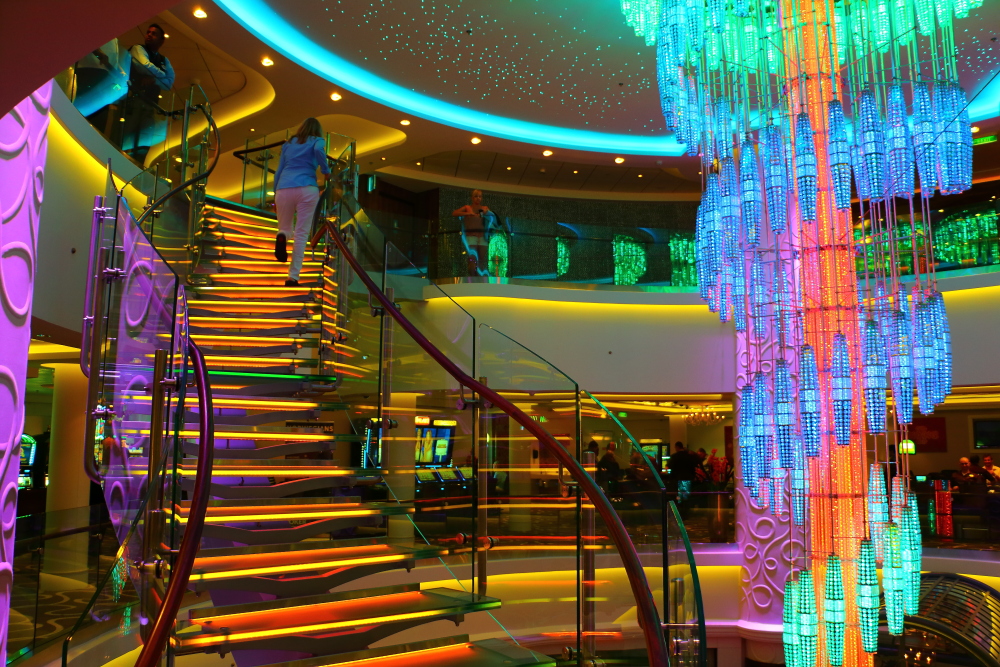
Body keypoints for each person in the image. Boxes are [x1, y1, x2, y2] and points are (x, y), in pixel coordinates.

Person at [273, 118, 331, 286]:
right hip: (307, 188)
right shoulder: (318, 141)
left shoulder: (288, 144)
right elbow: (320, 150)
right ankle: (293, 276)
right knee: (301, 234)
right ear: (317, 130)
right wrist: (325, 171)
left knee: (284, 228)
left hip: (284, 188)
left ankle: (282, 236)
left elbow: (279, 170)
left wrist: (277, 191)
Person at [122, 24, 175, 160]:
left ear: (161, 41)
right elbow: (145, 65)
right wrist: (161, 75)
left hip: (150, 105)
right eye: (148, 32)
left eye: (154, 33)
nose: (149, 35)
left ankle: (137, 164)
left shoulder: (164, 59)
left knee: (144, 138)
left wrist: (153, 79)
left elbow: (169, 84)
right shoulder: (138, 48)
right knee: (128, 135)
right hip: (132, 101)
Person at [451, 189, 491, 276]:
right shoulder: (467, 208)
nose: (478, 198)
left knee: (481, 259)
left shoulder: (483, 208)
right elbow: (454, 213)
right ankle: (472, 278)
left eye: (480, 196)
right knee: (472, 258)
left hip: (482, 237)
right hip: (471, 236)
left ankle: (480, 278)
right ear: (472, 198)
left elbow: (490, 217)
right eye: (476, 196)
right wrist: (467, 213)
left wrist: (486, 212)